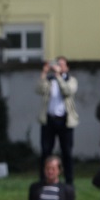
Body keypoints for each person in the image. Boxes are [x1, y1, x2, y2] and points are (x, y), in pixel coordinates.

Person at [37, 56, 78, 184]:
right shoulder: (50, 80)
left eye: (61, 65)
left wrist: (59, 76)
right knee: (45, 151)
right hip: (49, 120)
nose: (58, 67)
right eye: (57, 64)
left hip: (65, 121)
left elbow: (67, 91)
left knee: (67, 152)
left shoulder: (71, 80)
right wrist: (44, 72)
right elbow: (38, 89)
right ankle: (44, 180)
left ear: (67, 67)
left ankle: (69, 181)